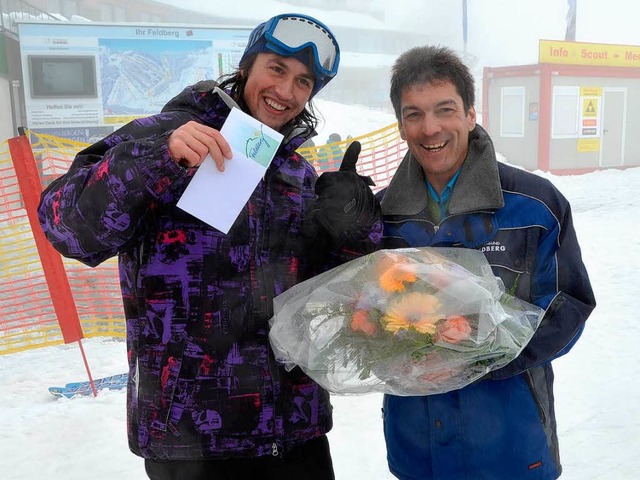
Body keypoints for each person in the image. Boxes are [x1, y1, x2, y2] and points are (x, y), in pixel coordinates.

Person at [37, 13, 381, 480]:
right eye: (276, 69)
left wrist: (354, 229)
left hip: (294, 434)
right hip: (189, 442)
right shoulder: (163, 135)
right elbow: (67, 226)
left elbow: (327, 295)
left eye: (304, 82)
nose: (286, 91)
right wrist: (161, 159)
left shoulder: (296, 174)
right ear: (246, 66)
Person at [376, 45, 596, 480]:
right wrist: (336, 229)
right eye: (414, 114)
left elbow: (569, 306)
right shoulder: (382, 215)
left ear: (471, 114)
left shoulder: (535, 206)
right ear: (401, 125)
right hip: (417, 448)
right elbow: (355, 307)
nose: (430, 128)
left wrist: (477, 361)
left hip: (511, 447)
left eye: (445, 110)